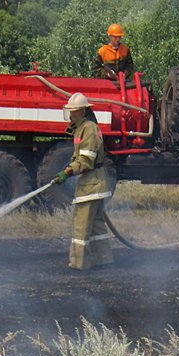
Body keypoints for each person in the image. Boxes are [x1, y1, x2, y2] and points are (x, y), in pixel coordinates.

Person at [53, 92, 113, 270]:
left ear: (82, 111)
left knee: (81, 226)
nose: (70, 115)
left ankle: (78, 264)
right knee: (96, 226)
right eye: (70, 111)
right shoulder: (83, 128)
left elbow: (86, 160)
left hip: (91, 185)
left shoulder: (88, 129)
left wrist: (67, 171)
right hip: (94, 184)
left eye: (74, 111)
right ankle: (103, 260)